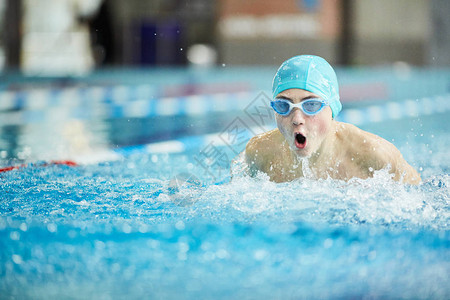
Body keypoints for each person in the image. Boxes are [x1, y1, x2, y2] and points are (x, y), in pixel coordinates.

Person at [244, 55, 421, 184]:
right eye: (284, 106)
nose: (297, 119)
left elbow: (420, 195)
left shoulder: (374, 155)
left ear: (333, 109)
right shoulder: (260, 154)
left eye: (311, 105)